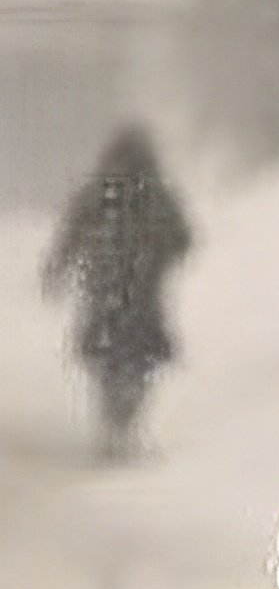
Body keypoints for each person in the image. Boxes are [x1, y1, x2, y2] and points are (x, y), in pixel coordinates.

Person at [41, 125, 192, 458]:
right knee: (135, 360)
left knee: (110, 358)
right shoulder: (154, 194)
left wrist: (59, 268)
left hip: (107, 293)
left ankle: (116, 426)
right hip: (137, 296)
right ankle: (123, 426)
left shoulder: (101, 192)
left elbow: (71, 232)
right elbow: (183, 238)